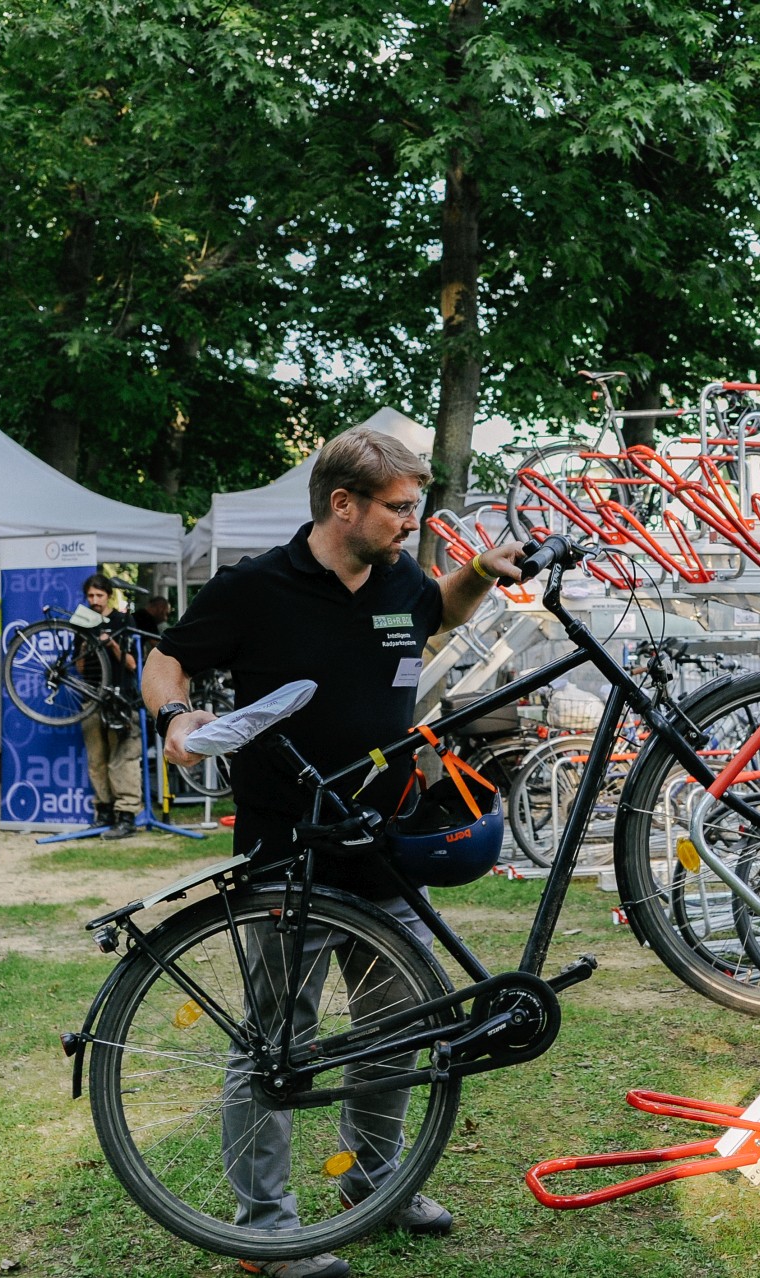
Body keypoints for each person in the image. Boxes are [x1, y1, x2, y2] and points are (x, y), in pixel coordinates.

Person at [142, 426, 522, 1278]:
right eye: (397, 506)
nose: (410, 519)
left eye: (414, 503)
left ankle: (372, 1183)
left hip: (381, 849)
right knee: (277, 1045)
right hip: (287, 854)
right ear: (341, 504)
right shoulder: (255, 587)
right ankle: (264, 1230)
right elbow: (166, 660)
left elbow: (438, 612)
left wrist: (473, 576)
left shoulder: (398, 577)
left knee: (398, 1029)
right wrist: (176, 718)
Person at [78, 573, 142, 839]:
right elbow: (79, 668)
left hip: (120, 695)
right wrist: (85, 645)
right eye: (90, 596)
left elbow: (132, 664)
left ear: (108, 596)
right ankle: (103, 812)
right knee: (97, 758)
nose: (94, 601)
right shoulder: (82, 622)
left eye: (99, 596)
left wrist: (112, 644)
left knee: (123, 756)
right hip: (91, 695)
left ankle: (126, 815)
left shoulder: (123, 620)